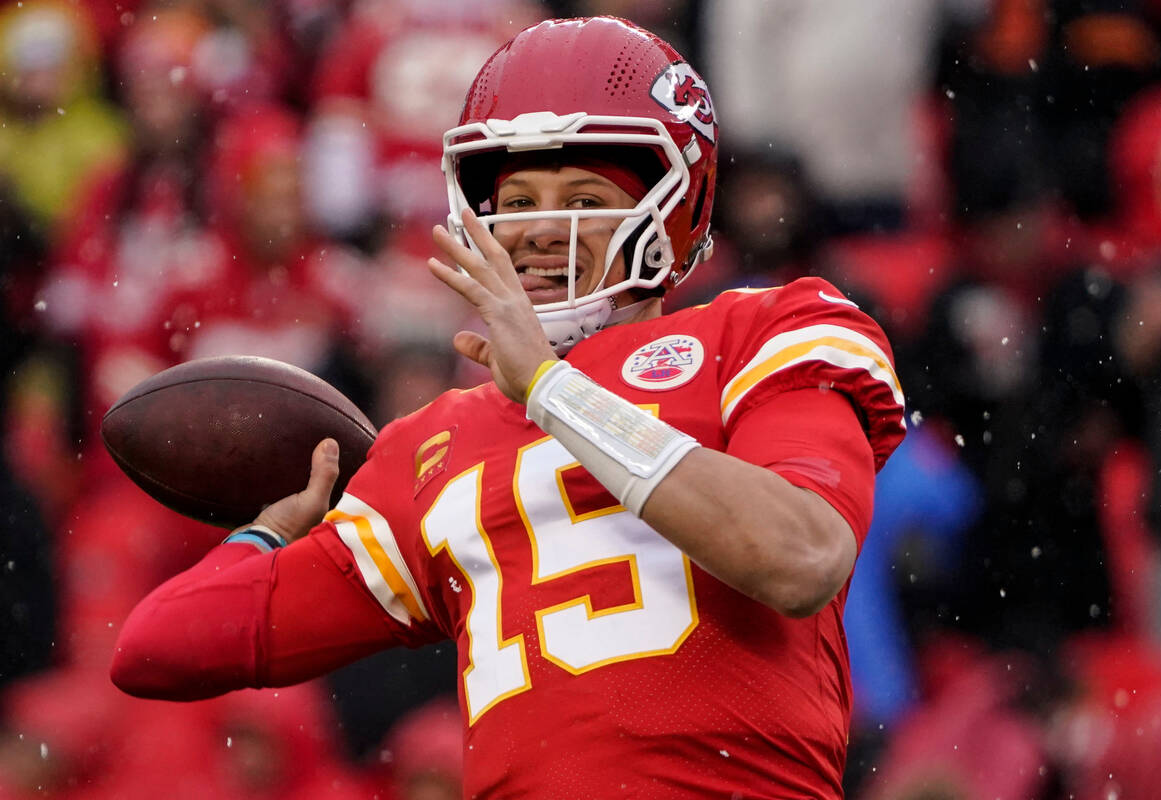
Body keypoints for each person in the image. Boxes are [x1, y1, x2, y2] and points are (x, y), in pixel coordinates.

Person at [111, 17, 905, 798]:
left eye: (583, 196)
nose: (537, 230)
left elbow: (800, 556)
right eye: (517, 198)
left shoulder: (766, 329)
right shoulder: (431, 444)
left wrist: (556, 393)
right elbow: (154, 649)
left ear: (672, 212)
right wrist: (268, 532)